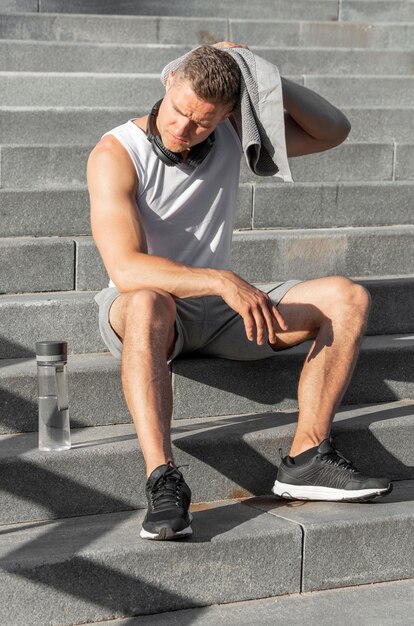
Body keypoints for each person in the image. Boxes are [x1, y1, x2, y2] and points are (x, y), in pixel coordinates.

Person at [87, 43, 391, 541]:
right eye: (179, 111)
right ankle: (163, 481)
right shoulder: (115, 152)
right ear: (168, 84)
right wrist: (220, 279)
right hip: (147, 309)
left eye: (202, 122)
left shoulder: (231, 135)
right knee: (147, 300)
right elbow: (125, 269)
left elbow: (334, 131)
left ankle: (307, 460)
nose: (183, 129)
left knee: (347, 297)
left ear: (228, 115)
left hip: (220, 312)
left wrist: (259, 74)